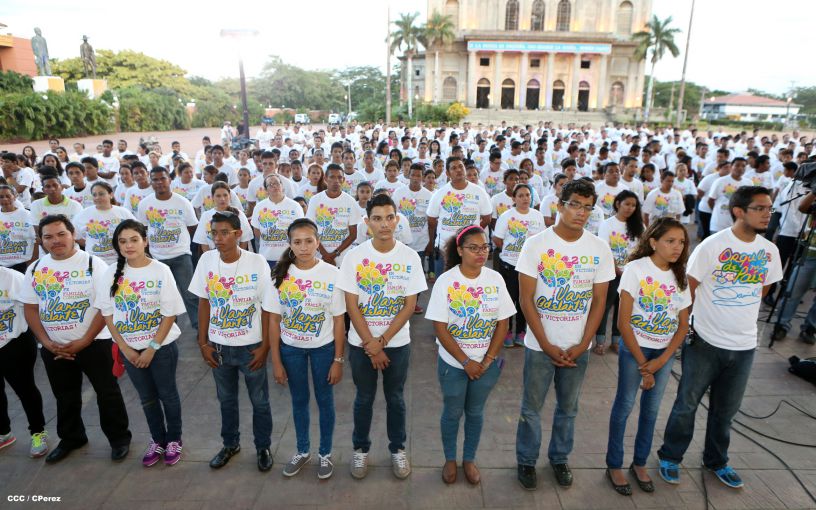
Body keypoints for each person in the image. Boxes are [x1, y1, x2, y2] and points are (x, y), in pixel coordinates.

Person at [657, 186, 783, 490]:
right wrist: (687, 328)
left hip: (744, 346)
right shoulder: (712, 246)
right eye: (760, 208)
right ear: (739, 212)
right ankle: (670, 457)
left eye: (769, 208)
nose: (768, 214)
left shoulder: (769, 251)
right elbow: (688, 288)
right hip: (705, 341)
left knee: (725, 411)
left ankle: (716, 461)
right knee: (686, 404)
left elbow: (761, 291)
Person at [514, 179, 615, 490]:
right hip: (539, 345)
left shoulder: (599, 248)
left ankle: (559, 458)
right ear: (560, 205)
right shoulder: (536, 245)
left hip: (577, 345)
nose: (581, 213)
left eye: (587, 207)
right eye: (575, 205)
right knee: (531, 408)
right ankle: (527, 461)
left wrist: (584, 342)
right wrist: (545, 342)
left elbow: (600, 301)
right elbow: (526, 299)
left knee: (568, 408)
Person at [20, 215, 131, 464]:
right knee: (65, 396)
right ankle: (72, 438)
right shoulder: (36, 268)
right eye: (48, 236)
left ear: (73, 234)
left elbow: (106, 307)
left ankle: (119, 439)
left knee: (107, 393)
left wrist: (84, 341)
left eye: (61, 234)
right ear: (41, 240)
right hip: (54, 347)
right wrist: (46, 342)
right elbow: (30, 309)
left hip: (95, 344)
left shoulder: (94, 264)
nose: (55, 240)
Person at [337, 194, 427, 480]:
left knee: (396, 398)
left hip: (397, 345)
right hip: (361, 344)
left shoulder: (409, 257)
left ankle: (397, 450)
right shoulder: (354, 257)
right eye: (377, 218)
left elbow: (409, 306)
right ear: (367, 223)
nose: (384, 224)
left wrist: (383, 342)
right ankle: (360, 450)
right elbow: (351, 305)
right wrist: (371, 345)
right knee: (364, 398)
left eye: (389, 217)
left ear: (397, 219)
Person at [605, 218, 691, 496]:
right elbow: (623, 323)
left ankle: (639, 462)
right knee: (625, 405)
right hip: (635, 350)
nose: (677, 247)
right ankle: (614, 464)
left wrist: (662, 360)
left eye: (681, 242)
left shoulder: (680, 275)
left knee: (652, 410)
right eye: (670, 241)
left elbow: (683, 325)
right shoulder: (636, 270)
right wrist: (644, 365)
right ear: (653, 242)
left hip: (663, 354)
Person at [426, 225, 514, 485]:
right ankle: (450, 459)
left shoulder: (495, 279)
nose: (480, 252)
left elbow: (503, 324)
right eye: (473, 248)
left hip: (486, 366)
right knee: (452, 412)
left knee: (475, 413)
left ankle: (469, 459)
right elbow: (440, 327)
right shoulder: (446, 281)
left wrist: (486, 361)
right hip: (453, 364)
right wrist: (465, 361)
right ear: (460, 250)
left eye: (484, 247)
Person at [96, 220, 186, 467]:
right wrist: (125, 348)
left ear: (145, 241)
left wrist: (152, 348)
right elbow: (107, 313)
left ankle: (174, 439)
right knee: (146, 398)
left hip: (161, 349)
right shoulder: (110, 272)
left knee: (167, 395)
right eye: (122, 241)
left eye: (134, 239)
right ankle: (157, 439)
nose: (128, 245)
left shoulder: (160, 270)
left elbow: (170, 313)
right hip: (130, 351)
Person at [190, 211, 274, 472]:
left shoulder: (256, 261)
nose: (218, 238)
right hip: (220, 347)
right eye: (214, 233)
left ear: (238, 234)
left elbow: (268, 307)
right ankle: (230, 444)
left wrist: (265, 346)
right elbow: (204, 302)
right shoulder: (206, 260)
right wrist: (203, 343)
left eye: (225, 232)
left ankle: (263, 447)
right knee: (226, 400)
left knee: (259, 401)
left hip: (251, 346)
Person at [269, 218, 346, 480]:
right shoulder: (281, 274)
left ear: (318, 242)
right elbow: (274, 320)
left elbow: (338, 321)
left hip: (323, 350)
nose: (303, 247)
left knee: (325, 401)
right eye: (297, 242)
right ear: (289, 244)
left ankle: (325, 453)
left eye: (309, 241)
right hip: (291, 350)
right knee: (299, 401)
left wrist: (338, 359)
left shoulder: (333, 275)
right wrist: (276, 361)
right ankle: (303, 450)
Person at [136, 167, 199, 329]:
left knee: (190, 295)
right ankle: (169, 328)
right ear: (151, 182)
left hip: (181, 256)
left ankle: (199, 327)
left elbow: (192, 227)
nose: (159, 183)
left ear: (170, 180)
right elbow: (142, 230)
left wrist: (180, 244)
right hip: (157, 259)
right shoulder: (145, 204)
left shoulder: (183, 202)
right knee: (163, 297)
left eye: (162, 179)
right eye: (155, 179)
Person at [0, 265, 48, 458]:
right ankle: (4, 433)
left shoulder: (12, 278)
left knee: (25, 390)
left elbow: (33, 307)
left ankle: (38, 433)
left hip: (15, 343)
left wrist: (45, 338)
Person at [493, 184, 546, 348]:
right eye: (521, 195)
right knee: (509, 299)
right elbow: (498, 239)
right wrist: (512, 254)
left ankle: (521, 331)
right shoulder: (507, 216)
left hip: (529, 268)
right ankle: (507, 331)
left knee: (526, 299)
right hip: (509, 265)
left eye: (528, 195)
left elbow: (542, 240)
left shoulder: (537, 216)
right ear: (514, 198)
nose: (525, 198)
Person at [594, 190, 643, 355]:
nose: (630, 208)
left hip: (630, 274)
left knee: (623, 307)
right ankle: (600, 341)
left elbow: (641, 250)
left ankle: (616, 341)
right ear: (617, 204)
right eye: (627, 204)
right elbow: (605, 249)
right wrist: (617, 269)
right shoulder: (607, 224)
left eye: (634, 205)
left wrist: (631, 270)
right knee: (604, 306)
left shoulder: (639, 226)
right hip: (610, 273)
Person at [427, 157, 492, 278]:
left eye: (461, 166)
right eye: (454, 168)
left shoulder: (479, 192)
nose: (458, 170)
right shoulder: (440, 194)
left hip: (471, 250)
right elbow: (431, 219)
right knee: (444, 287)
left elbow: (487, 218)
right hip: (444, 249)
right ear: (447, 173)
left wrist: (470, 232)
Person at [305, 164, 360, 267]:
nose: (336, 181)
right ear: (325, 178)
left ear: (343, 179)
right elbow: (310, 230)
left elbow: (353, 235)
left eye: (339, 177)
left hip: (342, 259)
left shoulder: (350, 201)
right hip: (319, 257)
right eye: (332, 177)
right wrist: (325, 255)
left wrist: (334, 254)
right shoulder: (315, 200)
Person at [251, 174, 304, 269]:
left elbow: (300, 230)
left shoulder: (294, 206)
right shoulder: (259, 207)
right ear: (266, 190)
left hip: (289, 258)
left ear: (282, 186)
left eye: (277, 183)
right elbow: (256, 231)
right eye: (270, 185)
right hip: (266, 258)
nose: (274, 186)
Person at [74, 182, 135, 265]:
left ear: (111, 194)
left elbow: (136, 232)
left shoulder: (123, 212)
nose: (97, 197)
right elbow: (76, 237)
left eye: (101, 194)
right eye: (94, 195)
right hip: (94, 262)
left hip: (120, 261)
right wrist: (92, 244)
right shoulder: (82, 215)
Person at [193, 182, 253, 253]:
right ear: (212, 197)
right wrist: (210, 260)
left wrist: (238, 257)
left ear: (230, 196)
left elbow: (245, 240)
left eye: (225, 195)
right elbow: (203, 242)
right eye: (218, 196)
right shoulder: (206, 216)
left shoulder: (239, 214)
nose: (222, 199)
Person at [0, 185, 37, 273]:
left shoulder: (28, 215)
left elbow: (36, 240)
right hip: (2, 267)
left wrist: (31, 264)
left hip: (24, 264)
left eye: (8, 196)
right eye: (1, 197)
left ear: (15, 196)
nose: (5, 199)